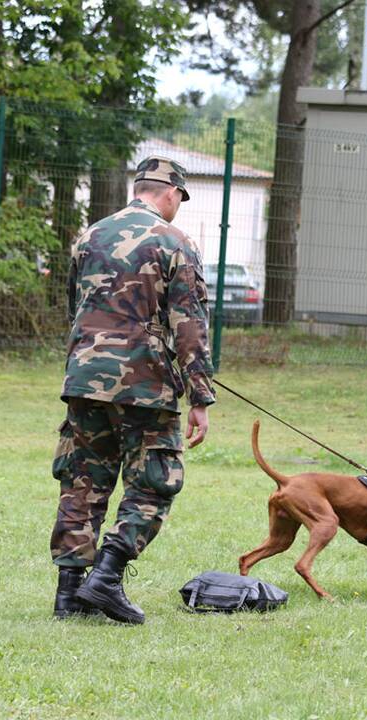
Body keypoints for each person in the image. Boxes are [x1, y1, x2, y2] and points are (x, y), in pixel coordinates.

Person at [49, 155, 216, 625]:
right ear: (171, 193)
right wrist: (200, 396)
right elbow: (190, 323)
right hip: (144, 382)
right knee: (154, 480)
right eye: (180, 199)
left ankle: (68, 594)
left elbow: (74, 308)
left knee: (82, 479)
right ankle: (106, 578)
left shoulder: (89, 235)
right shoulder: (175, 241)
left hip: (83, 377)